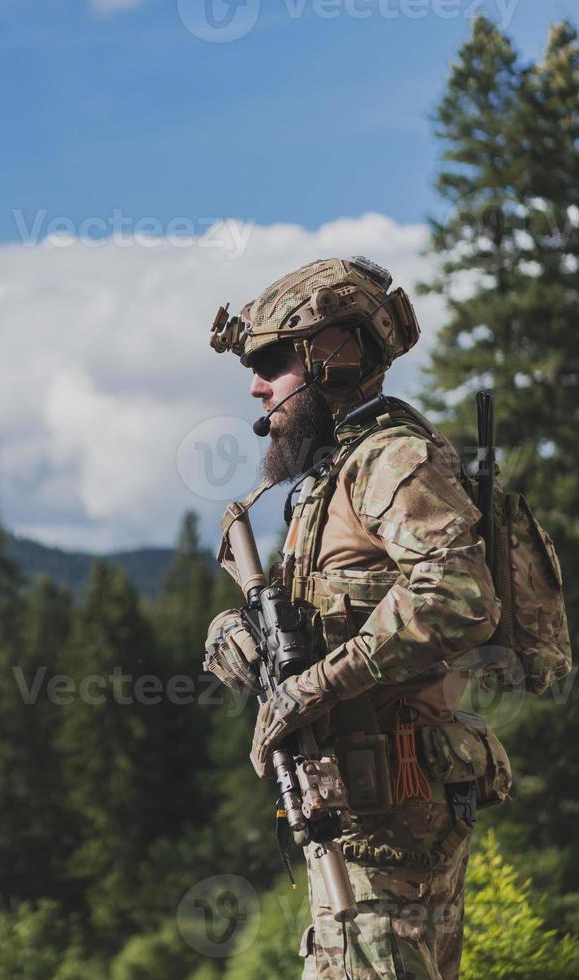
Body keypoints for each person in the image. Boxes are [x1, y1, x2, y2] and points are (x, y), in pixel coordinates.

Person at [202, 256, 511, 979]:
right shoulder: (332, 475)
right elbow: (316, 616)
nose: (256, 386)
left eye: (272, 363)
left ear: (330, 357)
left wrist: (315, 688)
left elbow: (458, 592)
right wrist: (232, 634)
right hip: (352, 804)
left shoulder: (390, 460)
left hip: (394, 805)